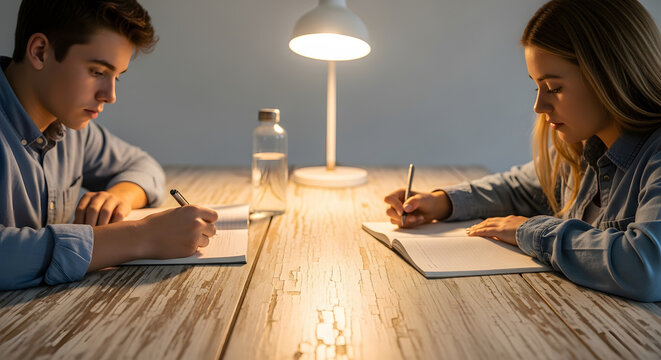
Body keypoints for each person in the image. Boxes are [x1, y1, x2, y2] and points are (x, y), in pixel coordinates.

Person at [384, 0, 661, 302]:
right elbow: (519, 188)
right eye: (536, 87)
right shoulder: (583, 148)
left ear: (611, 75)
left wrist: (530, 231)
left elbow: (646, 268)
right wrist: (442, 203)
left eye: (554, 88)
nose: (539, 106)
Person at [0, 0, 218, 290]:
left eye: (116, 77)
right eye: (97, 71)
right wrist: (141, 236)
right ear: (40, 52)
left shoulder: (71, 128)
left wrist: (121, 197)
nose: (110, 95)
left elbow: (143, 166)